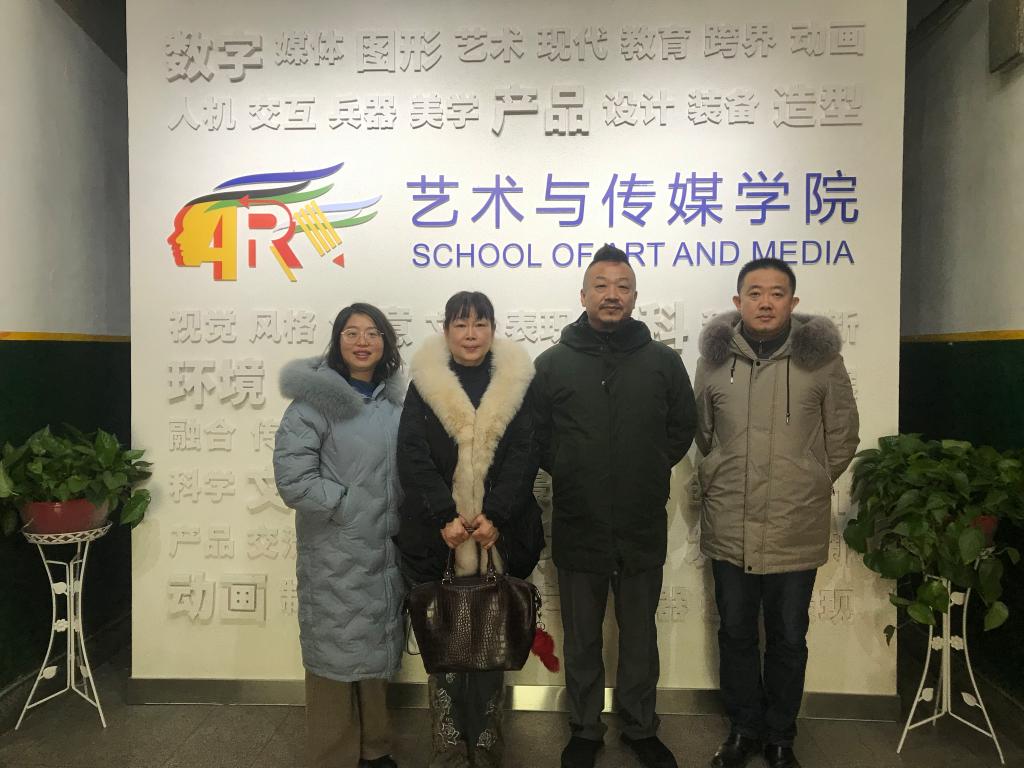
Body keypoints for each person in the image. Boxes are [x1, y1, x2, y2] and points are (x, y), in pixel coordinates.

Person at [530, 245, 697, 768]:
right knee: (581, 638)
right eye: (601, 285)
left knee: (640, 636)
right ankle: (585, 729)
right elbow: (536, 435)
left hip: (640, 522)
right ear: (583, 295)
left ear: (635, 296)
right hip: (578, 520)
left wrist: (648, 469)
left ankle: (641, 727)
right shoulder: (552, 364)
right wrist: (571, 468)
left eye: (622, 286)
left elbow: (682, 427)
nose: (612, 295)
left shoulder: (663, 362)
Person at [694, 258, 860, 768]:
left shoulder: (823, 363)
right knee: (736, 633)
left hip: (794, 524)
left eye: (776, 293)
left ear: (793, 301)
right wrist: (720, 472)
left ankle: (781, 735)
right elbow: (704, 434)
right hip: (730, 523)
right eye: (755, 293)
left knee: (788, 637)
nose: (765, 302)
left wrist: (810, 479)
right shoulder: (713, 363)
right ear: (737, 301)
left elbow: (843, 436)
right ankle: (744, 729)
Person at [396, 291, 545, 768]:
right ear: (446, 331)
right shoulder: (425, 385)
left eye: (480, 324)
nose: (471, 334)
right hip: (438, 537)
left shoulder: (516, 382)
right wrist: (445, 515)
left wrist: (495, 516)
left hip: (499, 537)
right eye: (460, 324)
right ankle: (448, 741)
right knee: (443, 638)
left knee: (491, 635)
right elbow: (412, 454)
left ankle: (485, 738)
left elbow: (526, 453)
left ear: (493, 330)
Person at [273, 303, 406, 768]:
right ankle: (333, 754)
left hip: (385, 549)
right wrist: (347, 505)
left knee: (375, 649)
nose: (362, 341)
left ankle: (376, 747)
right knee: (334, 653)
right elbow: (294, 480)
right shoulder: (313, 404)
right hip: (335, 549)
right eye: (352, 333)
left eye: (372, 333)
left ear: (385, 342)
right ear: (337, 341)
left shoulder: (395, 403)